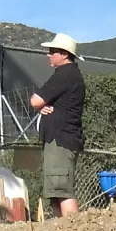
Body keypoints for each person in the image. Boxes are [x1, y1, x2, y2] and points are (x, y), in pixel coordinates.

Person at [31, 33, 85, 217]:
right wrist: (43, 108)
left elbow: (35, 100)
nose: (48, 54)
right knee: (55, 193)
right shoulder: (70, 75)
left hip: (61, 140)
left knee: (62, 191)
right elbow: (40, 104)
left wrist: (40, 105)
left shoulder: (64, 74)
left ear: (64, 54)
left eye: (52, 51)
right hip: (59, 139)